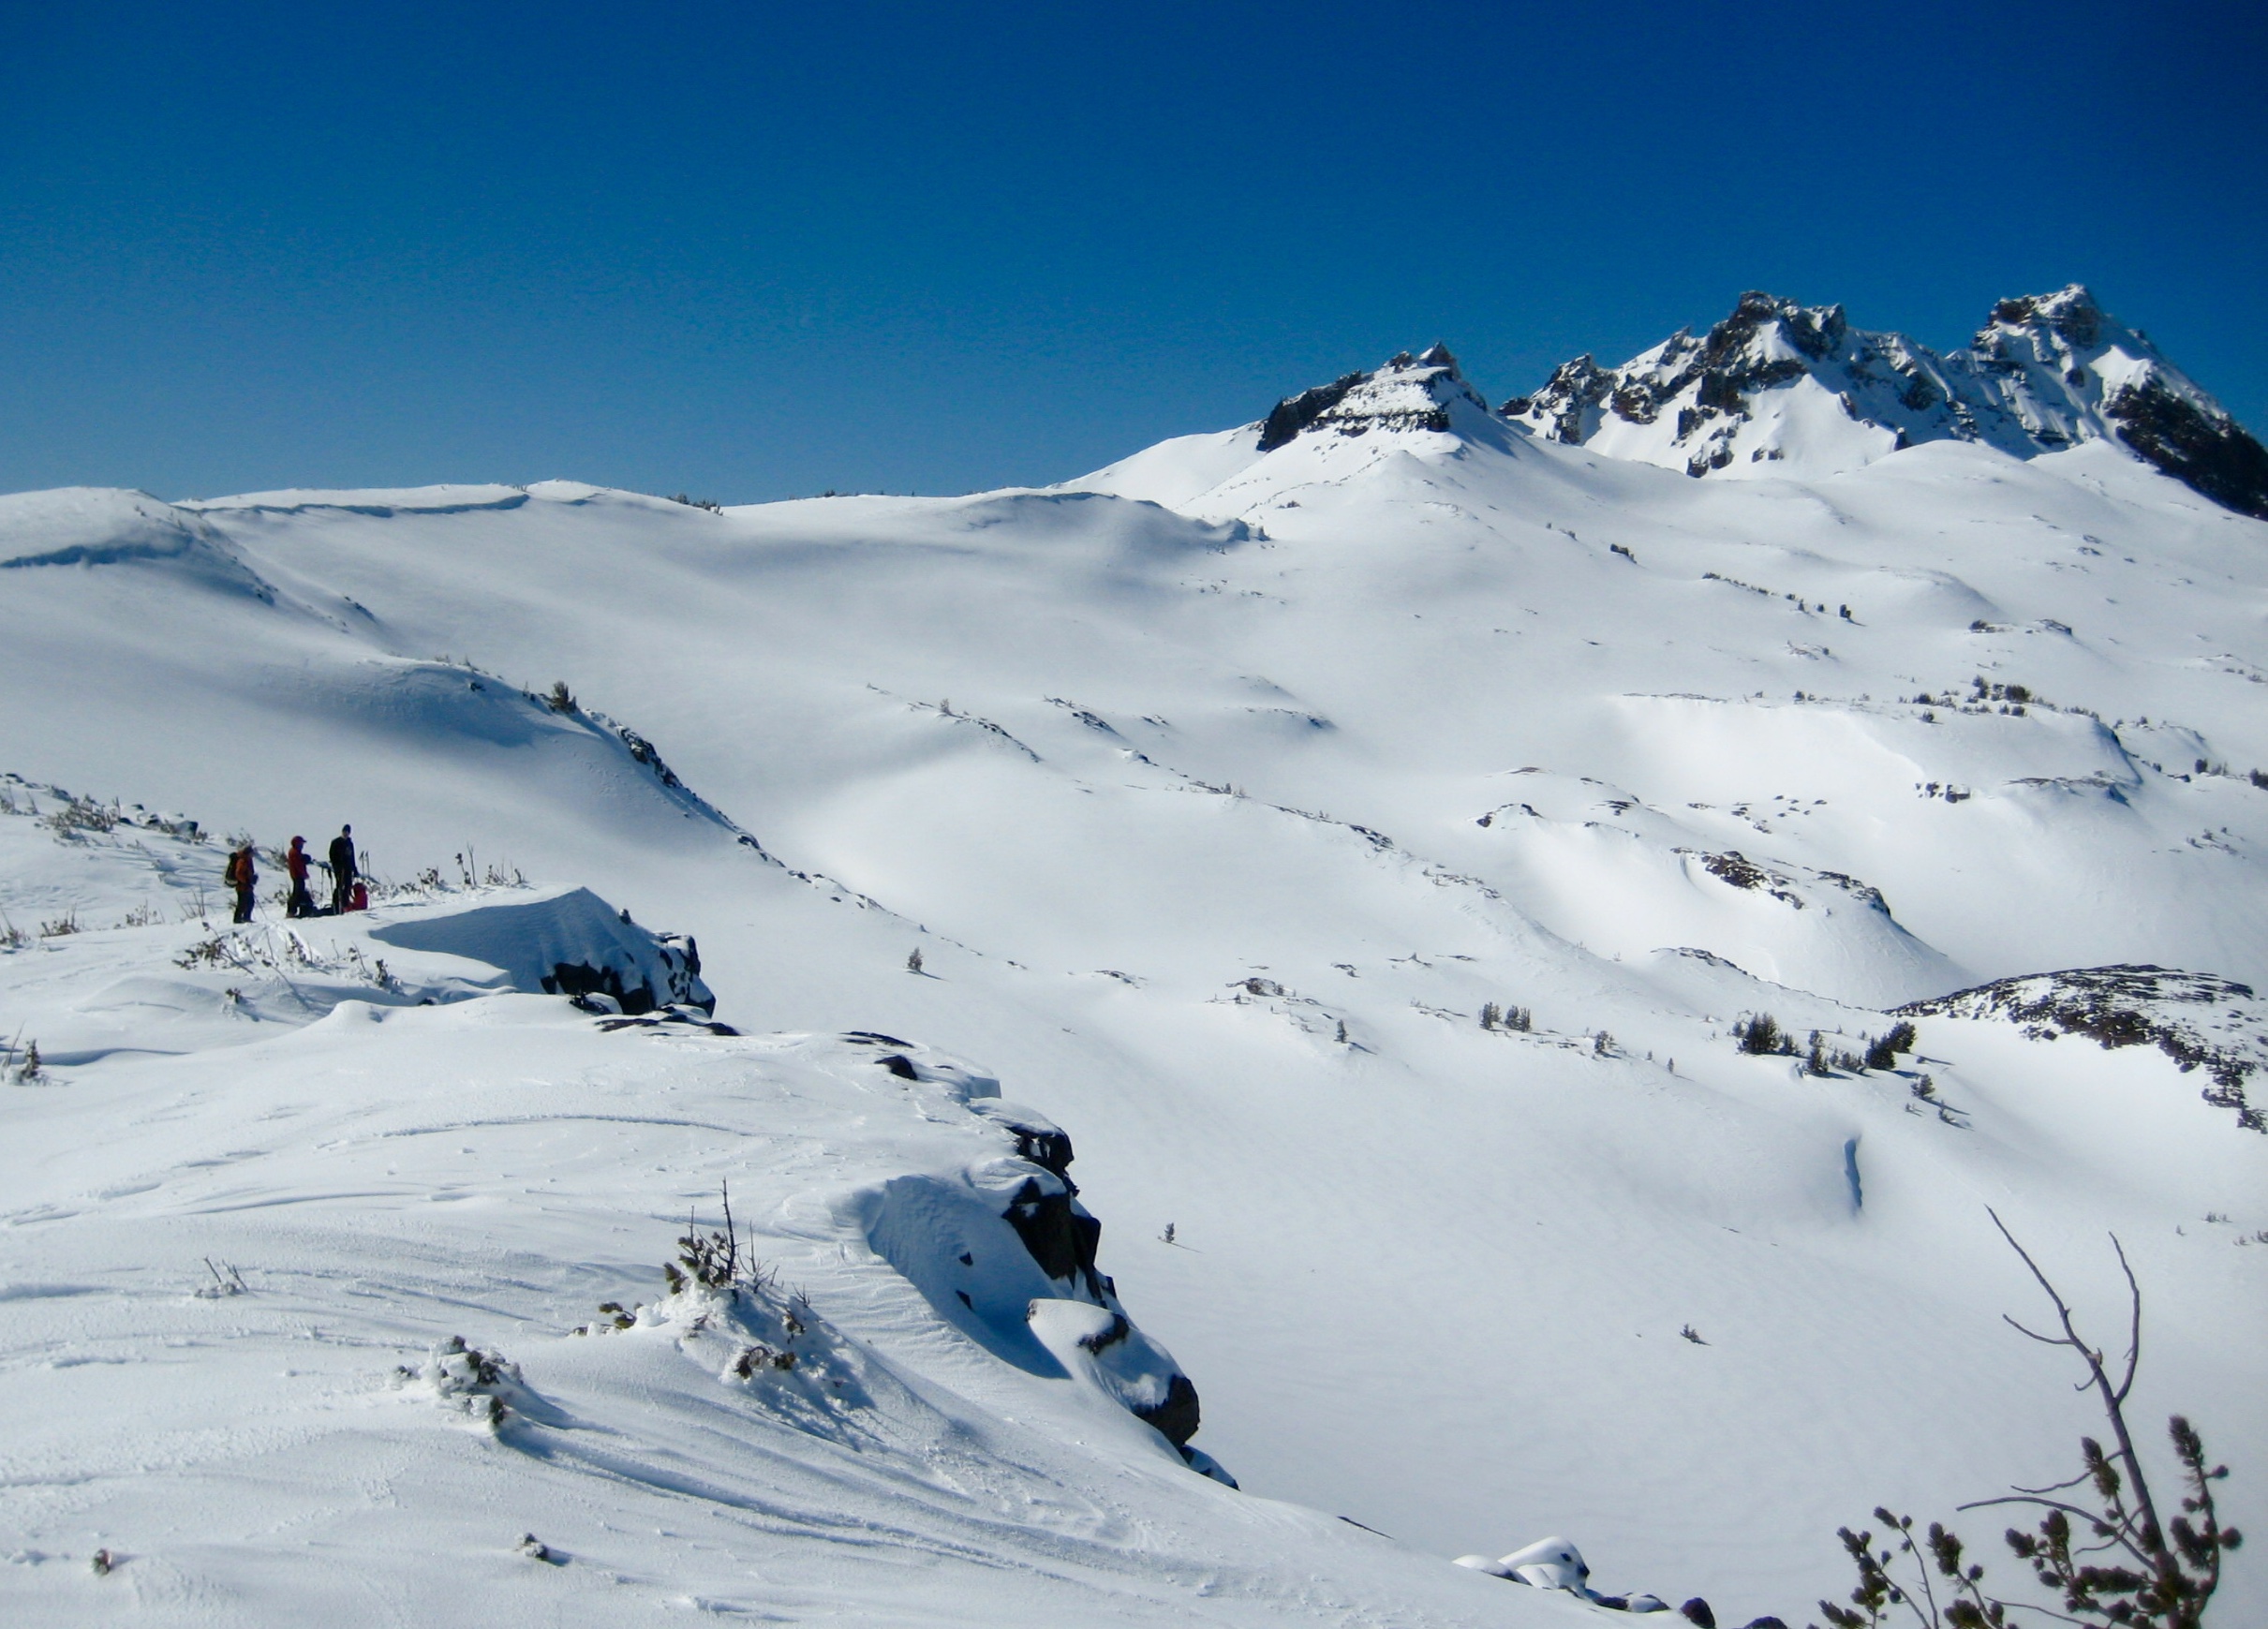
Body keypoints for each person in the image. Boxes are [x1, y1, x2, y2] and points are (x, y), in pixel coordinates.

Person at [327, 824, 358, 915]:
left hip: (348, 868)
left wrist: (354, 868)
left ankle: (345, 904)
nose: (346, 833)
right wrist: (336, 865)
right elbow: (332, 855)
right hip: (339, 868)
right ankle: (337, 904)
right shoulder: (336, 842)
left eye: (347, 832)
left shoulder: (349, 843)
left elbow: (352, 857)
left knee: (348, 886)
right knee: (340, 886)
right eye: (344, 831)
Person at [225, 842, 257, 924]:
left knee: (248, 902)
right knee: (244, 902)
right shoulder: (242, 861)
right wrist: (246, 881)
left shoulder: (246, 860)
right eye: (252, 852)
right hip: (243, 886)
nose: (253, 854)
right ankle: (238, 919)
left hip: (245, 885)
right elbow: (238, 873)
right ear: (248, 853)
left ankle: (245, 918)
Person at [284, 836, 316, 918]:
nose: (302, 845)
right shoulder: (294, 852)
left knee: (298, 893)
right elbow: (299, 866)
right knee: (297, 894)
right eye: (301, 843)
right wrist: (304, 874)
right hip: (297, 876)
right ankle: (292, 911)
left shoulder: (295, 852)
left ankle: (294, 911)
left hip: (296, 875)